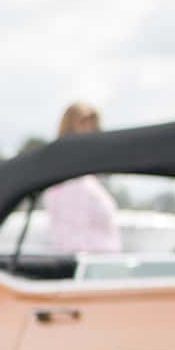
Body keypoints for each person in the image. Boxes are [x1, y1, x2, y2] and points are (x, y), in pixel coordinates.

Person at [39, 102, 122, 254]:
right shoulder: (70, 181)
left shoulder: (82, 179)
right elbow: (71, 241)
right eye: (85, 127)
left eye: (94, 129)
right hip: (88, 268)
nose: (92, 134)